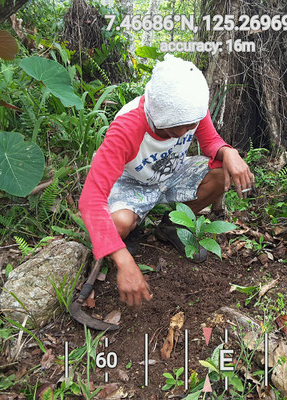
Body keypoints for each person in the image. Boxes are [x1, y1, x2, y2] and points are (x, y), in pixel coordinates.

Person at [79, 55, 254, 307]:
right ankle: (133, 227)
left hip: (171, 171)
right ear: (160, 115)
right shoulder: (126, 128)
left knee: (219, 173)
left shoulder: (189, 108)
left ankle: (170, 226)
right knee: (118, 224)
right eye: (179, 127)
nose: (187, 130)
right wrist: (123, 260)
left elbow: (210, 141)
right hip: (132, 181)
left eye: (191, 124)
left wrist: (229, 152)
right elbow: (90, 199)